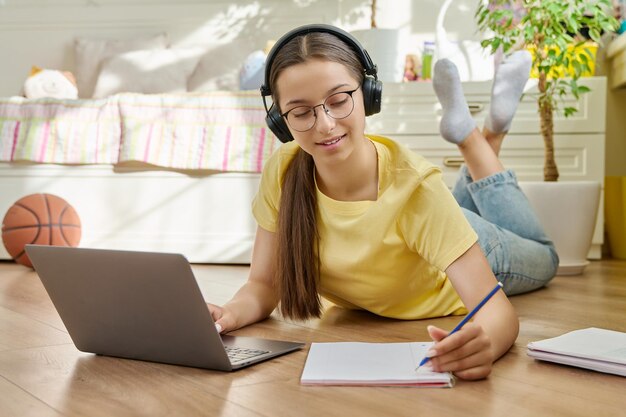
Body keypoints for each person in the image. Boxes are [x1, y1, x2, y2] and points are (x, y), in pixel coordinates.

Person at [208, 25, 558, 380]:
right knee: (446, 207)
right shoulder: (283, 171)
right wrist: (227, 316)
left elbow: (497, 312)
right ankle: (485, 138)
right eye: (300, 112)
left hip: (478, 249)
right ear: (279, 121)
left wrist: (485, 342)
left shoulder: (415, 188)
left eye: (339, 99)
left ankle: (475, 138)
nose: (325, 125)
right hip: (429, 231)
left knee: (546, 257)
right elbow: (264, 285)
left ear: (368, 93)